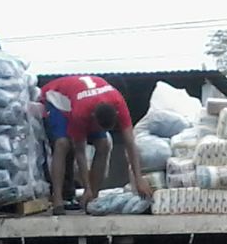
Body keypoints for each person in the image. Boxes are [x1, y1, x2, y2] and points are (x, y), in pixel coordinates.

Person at [39, 75, 152, 214]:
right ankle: (57, 199)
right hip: (58, 100)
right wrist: (86, 187)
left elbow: (130, 143)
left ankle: (93, 197)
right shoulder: (80, 113)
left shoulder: (118, 103)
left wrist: (139, 178)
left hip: (85, 98)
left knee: (103, 144)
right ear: (93, 117)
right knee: (63, 143)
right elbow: (80, 151)